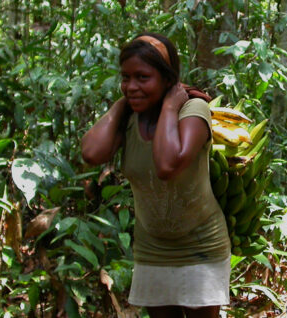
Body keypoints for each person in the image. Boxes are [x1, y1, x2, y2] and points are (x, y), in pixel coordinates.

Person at [81, 33, 230, 318]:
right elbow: (91, 153)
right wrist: (122, 104)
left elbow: (167, 166)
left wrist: (171, 105)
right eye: (126, 78)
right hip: (152, 249)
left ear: (167, 79)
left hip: (200, 245)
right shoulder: (129, 116)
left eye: (142, 77)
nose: (132, 86)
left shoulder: (193, 109)